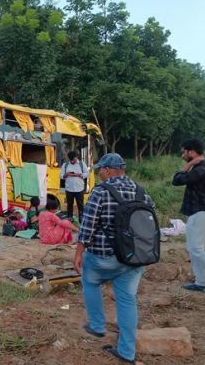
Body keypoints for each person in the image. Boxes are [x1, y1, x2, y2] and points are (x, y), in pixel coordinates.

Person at [74, 153, 154, 364]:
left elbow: (87, 227)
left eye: (100, 169)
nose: (99, 173)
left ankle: (97, 326)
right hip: (133, 259)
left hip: (103, 258)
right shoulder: (142, 192)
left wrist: (79, 254)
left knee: (90, 282)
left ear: (108, 170)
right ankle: (127, 352)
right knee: (127, 300)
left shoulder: (101, 192)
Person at [172, 139, 205, 296]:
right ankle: (200, 283)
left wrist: (187, 166)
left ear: (192, 152)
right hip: (197, 212)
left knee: (196, 249)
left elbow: (177, 180)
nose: (183, 155)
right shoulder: (201, 166)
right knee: (193, 248)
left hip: (203, 211)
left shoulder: (203, 168)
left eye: (184, 152)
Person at [60, 151, 89, 222]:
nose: (73, 161)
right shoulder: (65, 165)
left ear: (76, 157)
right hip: (69, 189)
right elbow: (60, 176)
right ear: (69, 159)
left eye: (74, 159)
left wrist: (80, 175)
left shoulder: (82, 164)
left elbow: (87, 173)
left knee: (80, 205)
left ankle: (81, 219)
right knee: (69, 205)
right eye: (72, 160)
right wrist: (65, 175)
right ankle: (70, 218)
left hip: (79, 189)